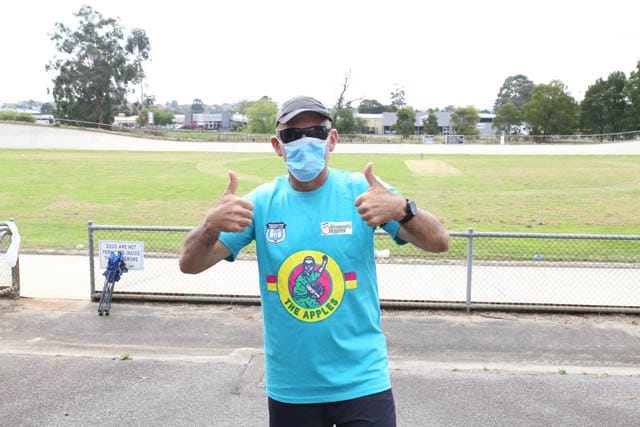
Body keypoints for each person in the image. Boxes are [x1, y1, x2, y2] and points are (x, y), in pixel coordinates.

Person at [179, 95, 449, 426]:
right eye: (292, 135)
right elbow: (190, 264)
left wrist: (403, 209)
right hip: (292, 389)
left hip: (362, 382)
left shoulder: (362, 193)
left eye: (316, 132)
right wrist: (209, 226)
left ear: (332, 140)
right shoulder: (260, 204)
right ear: (277, 146)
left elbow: (440, 241)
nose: (305, 141)